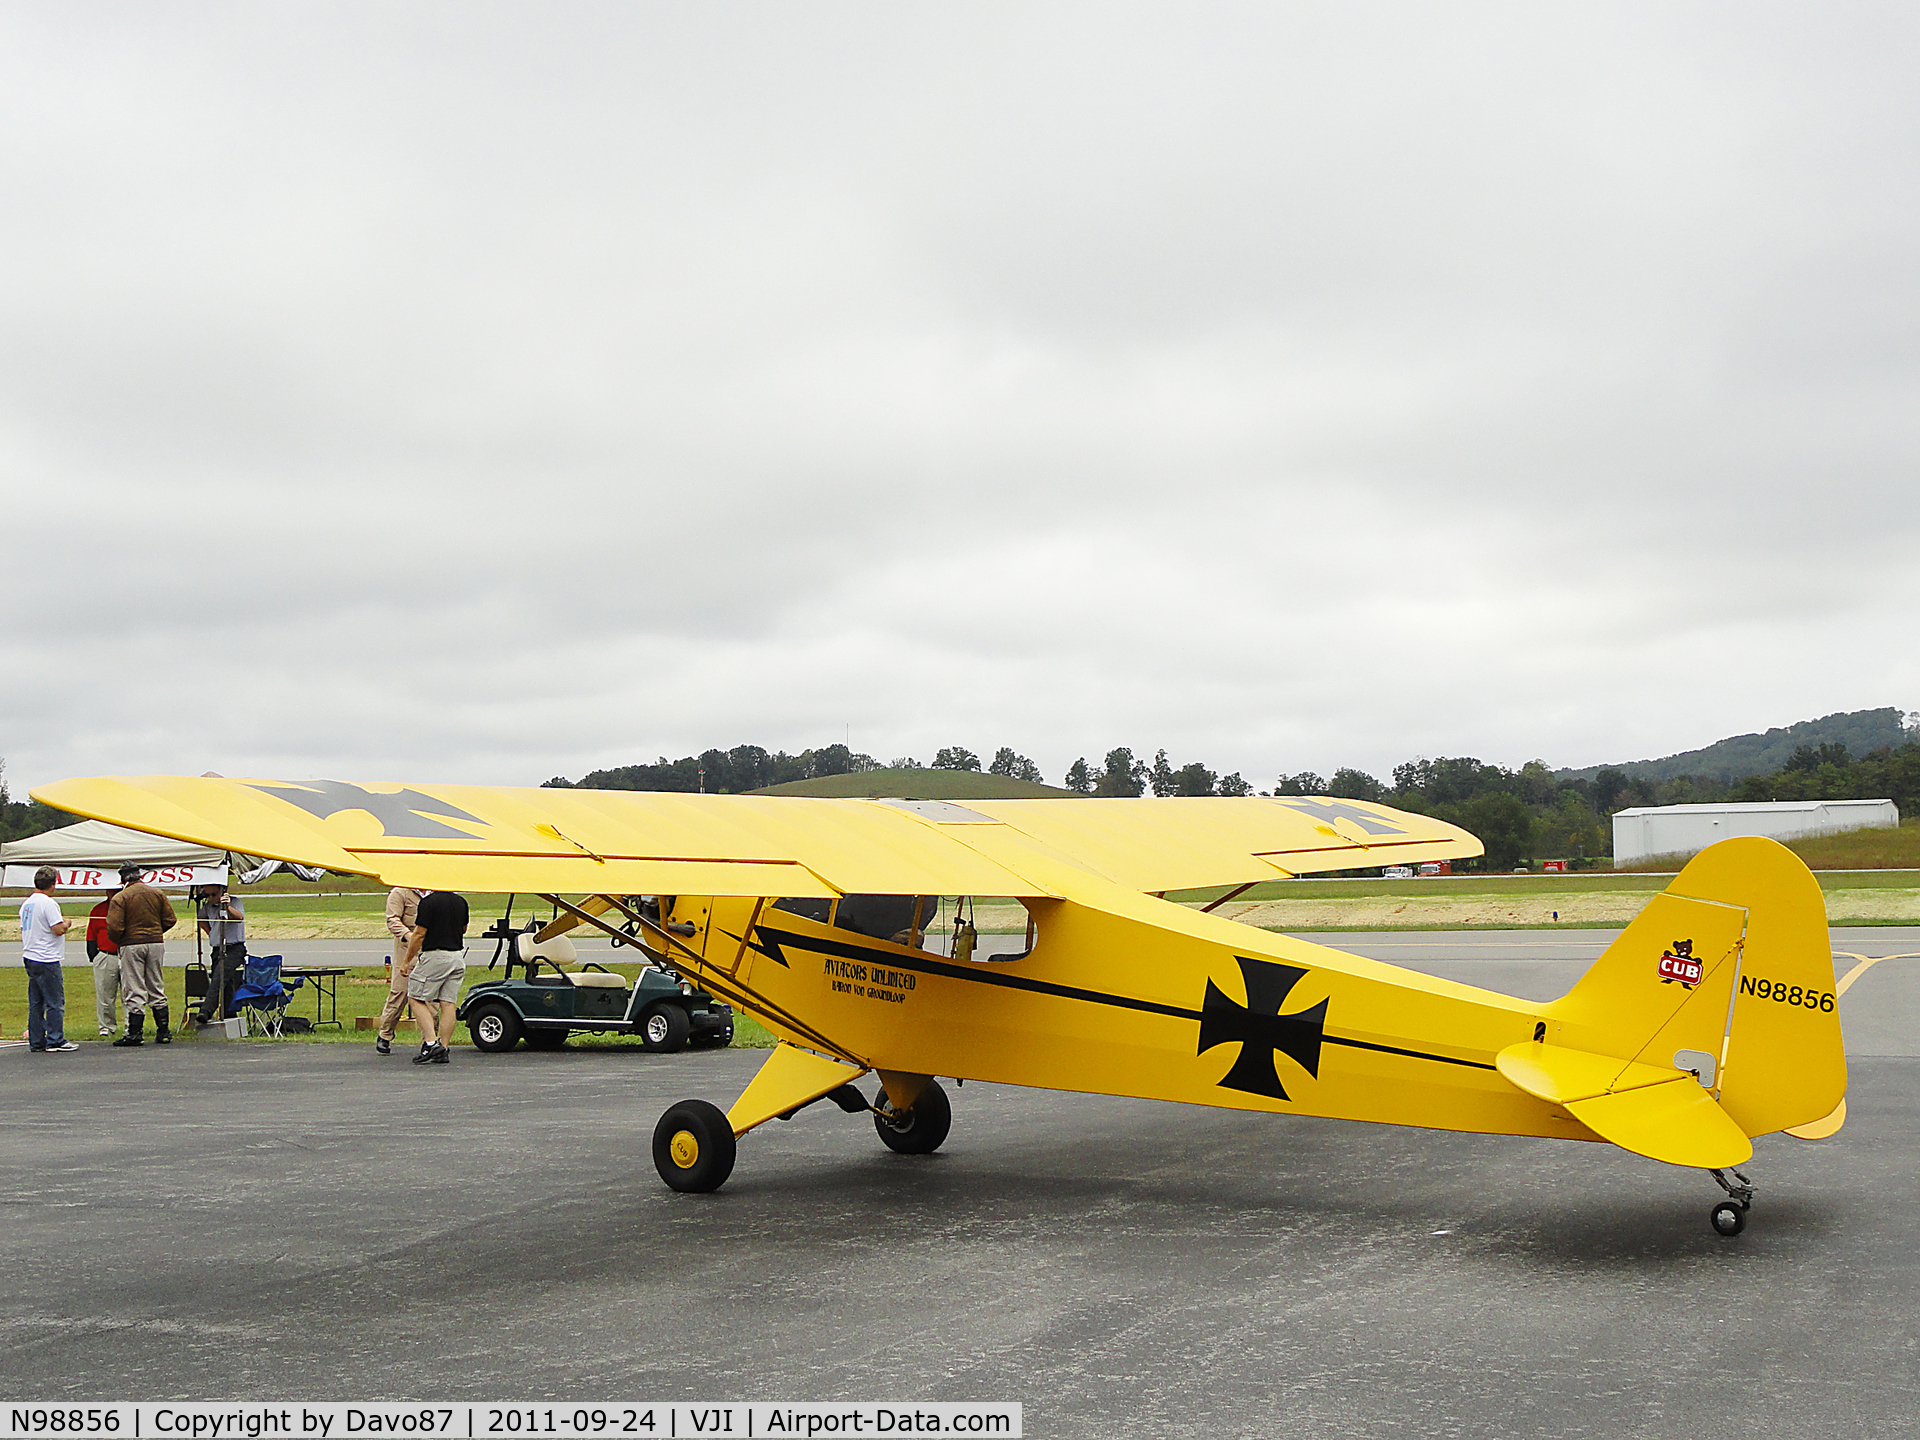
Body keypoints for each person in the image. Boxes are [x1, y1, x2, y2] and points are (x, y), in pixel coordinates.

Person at [107, 862, 177, 1046]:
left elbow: (114, 927)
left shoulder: (120, 898)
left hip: (131, 944)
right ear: (139, 875)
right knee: (156, 985)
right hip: (155, 942)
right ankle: (163, 1031)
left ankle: (135, 1033)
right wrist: (155, 931)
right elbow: (170, 919)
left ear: (123, 878)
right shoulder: (157, 893)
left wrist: (122, 938)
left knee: (134, 987)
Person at [406, 888, 469, 1065]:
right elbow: (463, 928)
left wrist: (406, 961)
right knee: (447, 1003)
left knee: (415, 998)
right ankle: (444, 1047)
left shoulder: (428, 903)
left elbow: (419, 933)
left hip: (435, 955)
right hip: (457, 956)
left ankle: (431, 1042)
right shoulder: (461, 902)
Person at [20, 866, 78, 1053]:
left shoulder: (27, 904)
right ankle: (55, 1039)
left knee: (36, 1002)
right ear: (53, 884)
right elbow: (57, 929)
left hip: (30, 955)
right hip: (46, 957)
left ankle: (37, 1040)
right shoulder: (48, 903)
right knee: (54, 1002)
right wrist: (67, 923)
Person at [374, 884, 425, 1055]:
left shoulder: (435, 892)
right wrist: (409, 936)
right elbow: (392, 919)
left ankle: (430, 1039)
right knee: (400, 992)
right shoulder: (399, 893)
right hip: (406, 947)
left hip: (430, 947)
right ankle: (385, 1034)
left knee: (430, 996)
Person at [192, 884, 248, 1026]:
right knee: (226, 981)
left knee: (219, 976)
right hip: (217, 948)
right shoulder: (208, 907)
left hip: (234, 947)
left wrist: (226, 907)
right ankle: (229, 1013)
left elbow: (238, 917)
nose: (210, 898)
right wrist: (211, 933)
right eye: (208, 895)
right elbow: (201, 919)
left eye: (213, 894)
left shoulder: (235, 902)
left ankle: (206, 1010)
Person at [86, 884, 123, 1036]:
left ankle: (131, 1026)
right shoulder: (98, 910)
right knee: (105, 995)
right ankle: (106, 1027)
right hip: (106, 955)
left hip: (126, 954)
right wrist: (94, 955)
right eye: (110, 890)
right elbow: (91, 934)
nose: (112, 894)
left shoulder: (130, 907)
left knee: (130, 994)